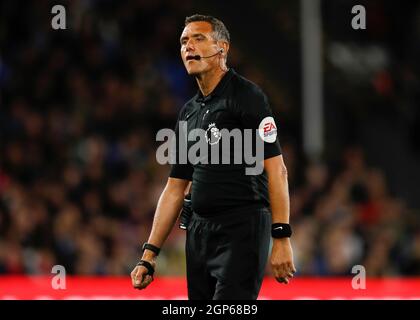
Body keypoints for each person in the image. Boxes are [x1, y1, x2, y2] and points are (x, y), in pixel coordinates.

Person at [131, 14, 296, 300]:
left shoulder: (247, 97)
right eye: (184, 41)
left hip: (241, 230)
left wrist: (281, 236)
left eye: (198, 38)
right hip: (198, 233)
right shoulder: (189, 112)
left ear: (222, 48)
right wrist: (149, 254)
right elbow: (175, 187)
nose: (188, 46)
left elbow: (277, 170)